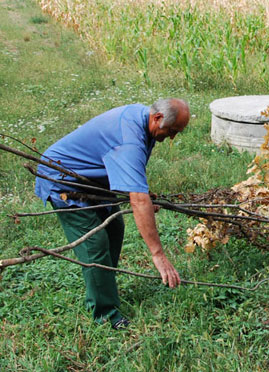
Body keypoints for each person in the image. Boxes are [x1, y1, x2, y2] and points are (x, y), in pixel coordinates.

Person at [34, 98, 190, 329]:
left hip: (93, 181)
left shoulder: (142, 118)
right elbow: (137, 197)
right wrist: (158, 254)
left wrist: (143, 195)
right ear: (157, 118)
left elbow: (130, 178)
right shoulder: (130, 140)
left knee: (115, 229)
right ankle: (105, 314)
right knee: (94, 244)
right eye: (172, 130)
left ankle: (103, 285)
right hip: (65, 182)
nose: (172, 137)